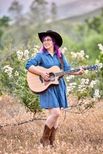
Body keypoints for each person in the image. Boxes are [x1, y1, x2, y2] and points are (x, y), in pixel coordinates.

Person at [25, 30, 84, 147]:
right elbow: (28, 65)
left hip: (59, 86)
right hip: (46, 87)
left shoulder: (60, 56)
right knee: (56, 113)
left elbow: (67, 69)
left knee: (56, 116)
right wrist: (42, 74)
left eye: (48, 40)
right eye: (44, 40)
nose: (45, 42)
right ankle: (43, 139)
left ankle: (51, 143)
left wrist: (78, 72)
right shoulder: (40, 55)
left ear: (53, 42)